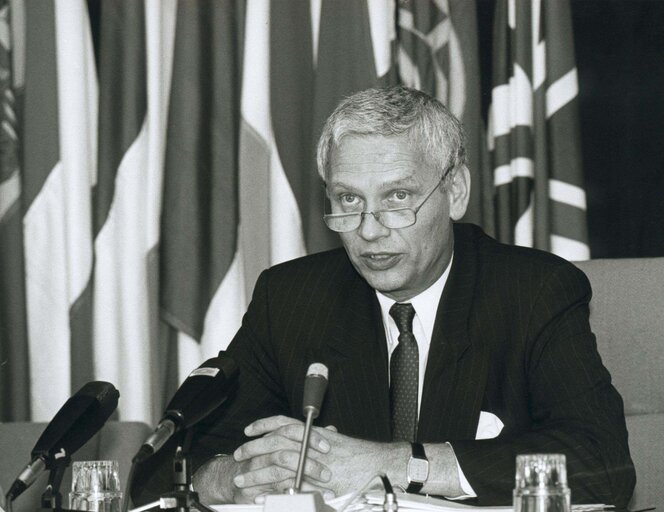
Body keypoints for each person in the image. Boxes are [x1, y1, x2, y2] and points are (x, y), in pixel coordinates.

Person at [133, 86, 635, 507]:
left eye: (397, 198)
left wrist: (396, 463)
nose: (369, 231)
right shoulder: (290, 299)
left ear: (455, 191)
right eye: (349, 200)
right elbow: (158, 472)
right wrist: (236, 481)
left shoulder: (533, 291)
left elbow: (602, 462)